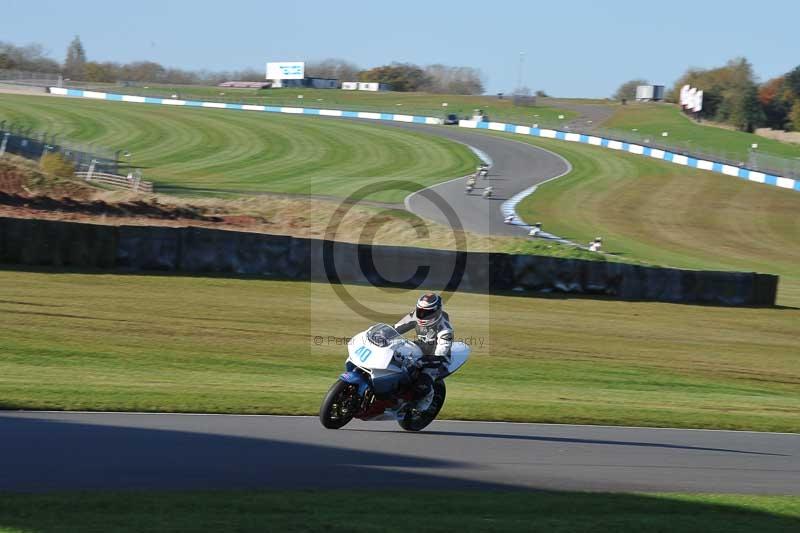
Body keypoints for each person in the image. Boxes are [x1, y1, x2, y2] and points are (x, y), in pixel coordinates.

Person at [394, 292, 453, 401]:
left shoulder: (445, 330)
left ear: (436, 312)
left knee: (422, 384)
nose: (421, 315)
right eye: (420, 311)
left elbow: (439, 357)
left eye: (426, 313)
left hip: (438, 359)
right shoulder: (415, 315)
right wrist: (383, 334)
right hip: (421, 347)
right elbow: (396, 328)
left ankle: (424, 405)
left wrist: (422, 362)